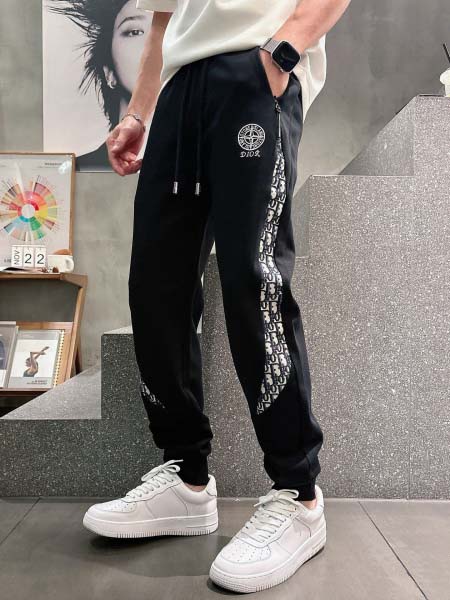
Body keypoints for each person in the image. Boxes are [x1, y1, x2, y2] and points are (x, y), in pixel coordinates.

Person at [83, 0, 351, 592]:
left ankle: (298, 493)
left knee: (253, 282)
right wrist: (140, 112)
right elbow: (162, 19)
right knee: (156, 287)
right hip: (178, 90)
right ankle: (186, 477)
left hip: (253, 71)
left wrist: (281, 53)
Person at [48, 0, 153, 171]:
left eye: (171, 31)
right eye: (134, 32)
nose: (151, 45)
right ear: (109, 72)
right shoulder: (79, 168)